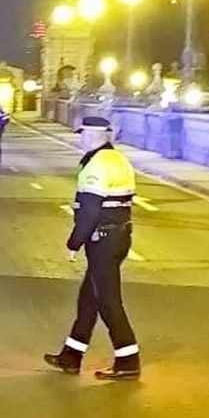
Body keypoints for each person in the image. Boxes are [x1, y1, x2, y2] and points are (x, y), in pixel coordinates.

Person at [44, 116, 140, 380]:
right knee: (89, 299)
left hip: (103, 240)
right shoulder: (119, 159)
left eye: (83, 133)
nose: (81, 137)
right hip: (119, 236)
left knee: (108, 302)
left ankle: (128, 359)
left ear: (95, 135)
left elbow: (89, 209)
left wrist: (74, 242)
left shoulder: (96, 164)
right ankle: (71, 356)